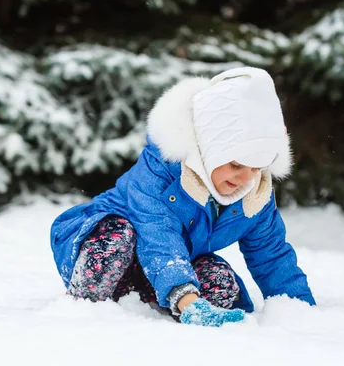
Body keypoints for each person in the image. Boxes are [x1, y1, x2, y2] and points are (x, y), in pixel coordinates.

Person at [50, 66, 316, 327]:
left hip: (169, 266)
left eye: (257, 168)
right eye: (236, 165)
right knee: (117, 238)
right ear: (207, 150)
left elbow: (270, 253)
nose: (247, 178)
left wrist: (300, 309)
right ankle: (88, 306)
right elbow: (158, 237)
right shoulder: (160, 172)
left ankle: (156, 297)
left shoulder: (254, 194)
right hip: (113, 244)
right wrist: (187, 299)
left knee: (220, 281)